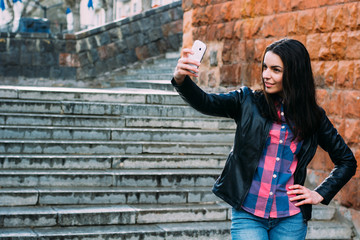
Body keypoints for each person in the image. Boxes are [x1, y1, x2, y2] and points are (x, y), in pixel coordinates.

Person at [172, 38, 357, 240]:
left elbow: (346, 161)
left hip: (290, 218)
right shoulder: (247, 101)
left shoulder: (314, 117)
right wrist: (181, 80)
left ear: (295, 74)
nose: (266, 75)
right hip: (248, 214)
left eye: (275, 70)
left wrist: (320, 193)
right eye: (265, 67)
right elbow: (205, 102)